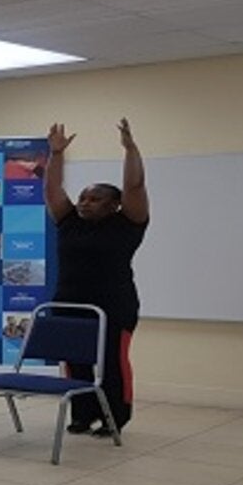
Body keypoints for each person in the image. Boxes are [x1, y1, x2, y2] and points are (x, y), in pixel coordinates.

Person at [46, 119, 148, 436]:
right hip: (68, 302)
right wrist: (56, 154)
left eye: (94, 199)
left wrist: (130, 149)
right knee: (75, 363)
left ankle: (114, 418)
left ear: (113, 204)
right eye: (83, 197)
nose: (84, 202)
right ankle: (82, 414)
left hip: (113, 306)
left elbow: (134, 187)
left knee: (112, 365)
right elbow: (51, 189)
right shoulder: (68, 221)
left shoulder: (127, 222)